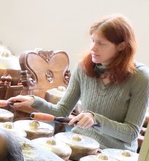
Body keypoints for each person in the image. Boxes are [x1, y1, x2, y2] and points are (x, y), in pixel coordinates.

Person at [8, 14, 149, 151]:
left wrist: (96, 119)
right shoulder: (84, 67)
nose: (93, 47)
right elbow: (62, 111)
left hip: (113, 154)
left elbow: (131, 133)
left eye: (101, 43)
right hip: (78, 143)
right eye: (93, 40)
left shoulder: (141, 78)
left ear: (121, 46)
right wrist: (34, 101)